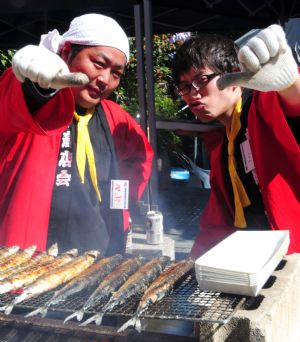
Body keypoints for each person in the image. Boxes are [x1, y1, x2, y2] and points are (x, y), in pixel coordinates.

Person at [0, 13, 154, 256]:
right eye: (99, 63)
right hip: (29, 258)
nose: (105, 79)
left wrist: (120, 206)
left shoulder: (115, 117)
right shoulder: (38, 106)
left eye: (116, 73)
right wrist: (33, 85)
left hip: (99, 256)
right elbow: (9, 102)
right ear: (66, 52)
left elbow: (141, 157)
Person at [172, 24, 300, 258]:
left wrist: (290, 84)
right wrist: (190, 266)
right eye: (185, 87)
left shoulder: (263, 107)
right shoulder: (222, 149)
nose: (193, 94)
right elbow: (216, 224)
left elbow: (294, 105)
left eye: (201, 79)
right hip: (258, 265)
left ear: (234, 74)